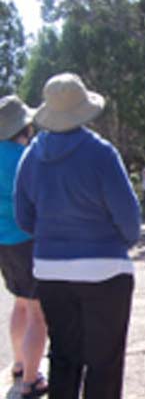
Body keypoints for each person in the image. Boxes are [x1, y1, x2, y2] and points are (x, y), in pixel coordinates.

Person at [14, 72, 141, 399]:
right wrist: (113, 244)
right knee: (104, 362)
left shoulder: (30, 157)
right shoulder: (101, 153)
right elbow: (130, 220)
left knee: (64, 358)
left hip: (50, 270)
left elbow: (24, 219)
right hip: (105, 271)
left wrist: (52, 240)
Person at [0, 95, 48, 398]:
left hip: (3, 241)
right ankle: (31, 380)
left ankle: (19, 363)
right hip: (25, 239)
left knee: (19, 301)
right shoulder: (24, 157)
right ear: (24, 127)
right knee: (37, 312)